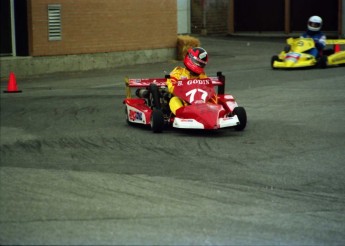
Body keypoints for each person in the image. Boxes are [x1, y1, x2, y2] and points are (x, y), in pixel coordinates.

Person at [166, 47, 209, 115]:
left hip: (200, 101)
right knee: (174, 100)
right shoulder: (178, 72)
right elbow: (172, 87)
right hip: (183, 101)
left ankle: (215, 113)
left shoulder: (202, 75)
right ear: (190, 59)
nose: (199, 65)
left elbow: (208, 89)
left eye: (201, 64)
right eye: (198, 63)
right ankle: (183, 115)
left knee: (213, 98)